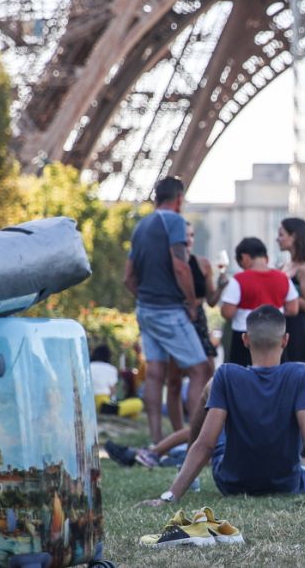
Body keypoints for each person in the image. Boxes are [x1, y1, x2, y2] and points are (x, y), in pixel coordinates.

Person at [141, 306, 305, 504]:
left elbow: (205, 444)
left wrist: (170, 496)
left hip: (231, 483)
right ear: (285, 340)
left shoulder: (226, 375)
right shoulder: (301, 374)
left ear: (245, 340)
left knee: (210, 392)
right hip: (286, 483)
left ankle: (185, 466)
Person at [125, 176, 213, 445]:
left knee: (155, 373)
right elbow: (181, 267)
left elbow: (128, 277)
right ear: (179, 199)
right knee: (200, 371)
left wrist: (147, 299)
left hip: (145, 309)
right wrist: (191, 302)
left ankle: (156, 439)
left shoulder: (141, 226)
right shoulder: (174, 221)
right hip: (170, 309)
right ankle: (197, 441)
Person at [164, 220, 225, 430]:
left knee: (207, 372)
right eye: (184, 236)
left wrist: (221, 286)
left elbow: (211, 301)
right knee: (174, 380)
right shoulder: (169, 264)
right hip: (176, 320)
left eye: (191, 235)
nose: (188, 240)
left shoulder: (203, 264)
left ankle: (199, 429)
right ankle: (179, 432)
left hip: (198, 320)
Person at [219, 237, 298, 367]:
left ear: (244, 257)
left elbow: (227, 312)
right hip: (275, 335)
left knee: (241, 373)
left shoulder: (239, 280)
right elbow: (293, 308)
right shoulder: (283, 278)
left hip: (245, 336)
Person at [277, 218, 305, 372]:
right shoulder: (283, 266)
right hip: (281, 325)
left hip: (297, 329)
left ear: (293, 236)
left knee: (297, 373)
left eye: (281, 235)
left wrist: (285, 296)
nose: (277, 239)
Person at [91, 345, 142, 418]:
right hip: (103, 405)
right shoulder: (111, 369)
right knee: (138, 403)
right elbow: (112, 390)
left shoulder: (88, 366)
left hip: (89, 402)